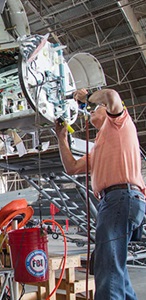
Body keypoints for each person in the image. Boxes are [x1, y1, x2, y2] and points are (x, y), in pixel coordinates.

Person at [55, 88, 145, 300]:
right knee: (116, 270)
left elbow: (112, 96)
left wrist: (87, 97)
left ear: (108, 112)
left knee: (107, 268)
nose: (93, 111)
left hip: (120, 198)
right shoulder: (98, 145)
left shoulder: (118, 123)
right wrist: (61, 138)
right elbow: (71, 167)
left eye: (97, 107)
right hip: (117, 201)